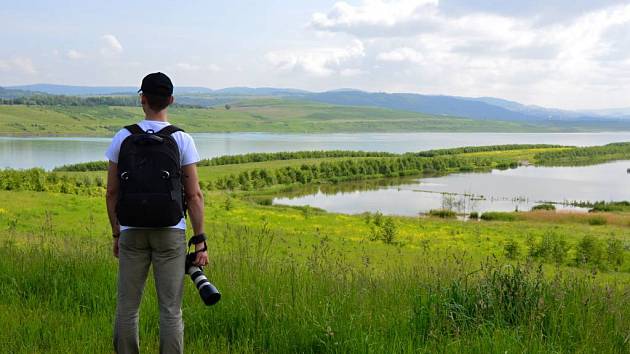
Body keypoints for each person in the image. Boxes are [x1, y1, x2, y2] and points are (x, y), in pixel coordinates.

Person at [105, 72, 208, 354]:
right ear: (171, 100)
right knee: (170, 309)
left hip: (131, 231)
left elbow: (112, 193)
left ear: (143, 99)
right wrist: (200, 240)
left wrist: (117, 233)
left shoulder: (122, 136)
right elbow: (194, 195)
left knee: (127, 307)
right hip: (171, 231)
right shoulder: (182, 139)